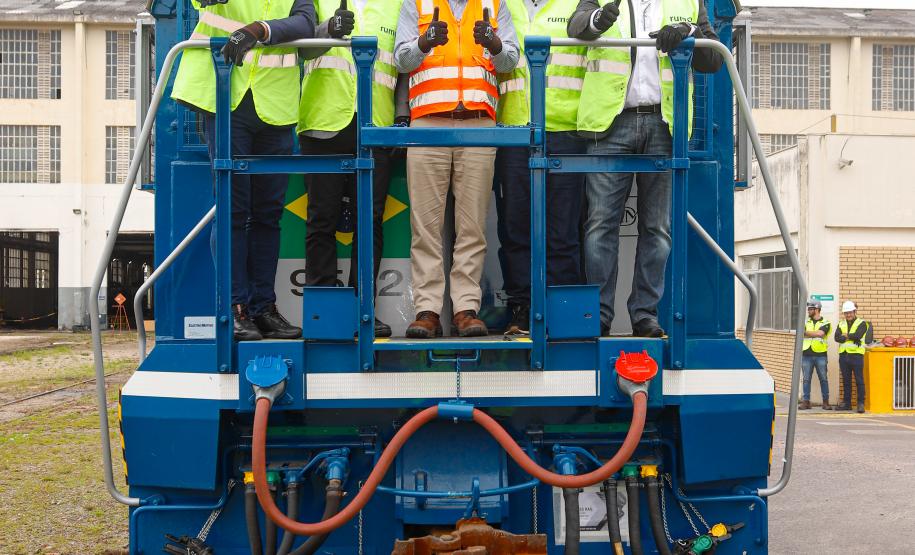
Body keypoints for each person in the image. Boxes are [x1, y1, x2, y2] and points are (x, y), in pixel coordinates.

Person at [567, 0, 722, 337]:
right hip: (610, 124)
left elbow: (713, 60)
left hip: (664, 124)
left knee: (658, 228)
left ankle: (644, 315)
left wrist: (688, 32)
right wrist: (599, 19)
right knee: (600, 225)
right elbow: (575, 27)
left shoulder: (688, 2)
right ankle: (599, 315)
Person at [172, 0, 315, 341]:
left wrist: (259, 30)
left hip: (275, 106)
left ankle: (263, 308)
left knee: (268, 214)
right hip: (225, 98)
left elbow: (305, 23)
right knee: (232, 212)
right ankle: (235, 309)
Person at [394, 0, 520, 338]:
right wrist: (424, 43)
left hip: (478, 124)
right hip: (427, 123)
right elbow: (401, 59)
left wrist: (494, 44)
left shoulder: (494, 4)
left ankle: (466, 309)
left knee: (472, 226)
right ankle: (427, 311)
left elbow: (511, 60)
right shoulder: (417, 3)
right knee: (425, 227)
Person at [298, 0, 409, 338]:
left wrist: (402, 115)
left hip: (376, 124)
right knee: (321, 218)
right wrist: (327, 30)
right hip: (323, 119)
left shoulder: (397, 5)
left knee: (369, 221)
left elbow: (403, 64)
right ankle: (324, 314)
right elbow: (299, 49)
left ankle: (363, 311)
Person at [493, 0, 587, 335]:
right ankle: (522, 307)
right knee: (515, 226)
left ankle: (562, 309)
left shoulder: (577, 5)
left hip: (566, 131)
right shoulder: (501, 5)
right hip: (513, 130)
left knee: (563, 230)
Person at [835, 300, 870, 413]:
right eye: (846, 313)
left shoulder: (862, 323)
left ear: (854, 312)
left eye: (850, 312)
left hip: (856, 356)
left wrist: (845, 335)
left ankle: (860, 404)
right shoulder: (841, 323)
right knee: (846, 381)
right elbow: (837, 338)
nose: (848, 315)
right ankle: (847, 404)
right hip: (844, 355)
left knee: (859, 380)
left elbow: (858, 335)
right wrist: (851, 337)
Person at [800, 299, 832, 410]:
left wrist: (807, 333)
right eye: (808, 309)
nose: (808, 311)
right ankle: (806, 402)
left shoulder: (826, 322)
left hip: (820, 355)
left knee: (823, 379)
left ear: (817, 309)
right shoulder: (805, 322)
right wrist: (814, 334)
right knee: (806, 379)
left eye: (810, 309)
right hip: (806, 354)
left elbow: (821, 333)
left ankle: (826, 402)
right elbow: (801, 333)